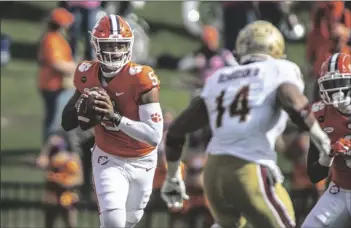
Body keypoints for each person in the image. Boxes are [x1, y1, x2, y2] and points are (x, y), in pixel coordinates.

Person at [160, 20, 331, 228]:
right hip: (249, 165)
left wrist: (173, 177)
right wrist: (320, 136)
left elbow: (177, 130)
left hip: (213, 172)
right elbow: (292, 99)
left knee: (226, 224)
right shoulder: (279, 68)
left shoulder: (219, 77)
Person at [61, 14, 163, 228]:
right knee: (113, 220)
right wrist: (85, 107)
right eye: (109, 45)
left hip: (142, 159)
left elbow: (154, 136)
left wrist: (114, 117)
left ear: (130, 45)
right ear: (96, 45)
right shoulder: (86, 73)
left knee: (131, 219)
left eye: (120, 45)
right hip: (108, 156)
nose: (115, 50)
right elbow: (67, 122)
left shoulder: (141, 77)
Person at [301, 53, 351, 228]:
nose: (336, 92)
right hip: (339, 190)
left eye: (341, 84)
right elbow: (315, 174)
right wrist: (328, 153)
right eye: (330, 85)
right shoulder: (321, 115)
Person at [37, 8, 76, 142]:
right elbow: (56, 63)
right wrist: (75, 68)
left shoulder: (55, 38)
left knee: (53, 119)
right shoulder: (52, 39)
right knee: (54, 121)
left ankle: (49, 151)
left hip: (54, 84)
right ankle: (48, 153)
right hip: (52, 85)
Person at [36, 129, 83, 228]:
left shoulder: (72, 159)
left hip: (67, 195)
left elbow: (79, 179)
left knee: (70, 223)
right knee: (49, 223)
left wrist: (66, 184)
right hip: (52, 195)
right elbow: (40, 163)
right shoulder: (51, 160)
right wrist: (47, 148)